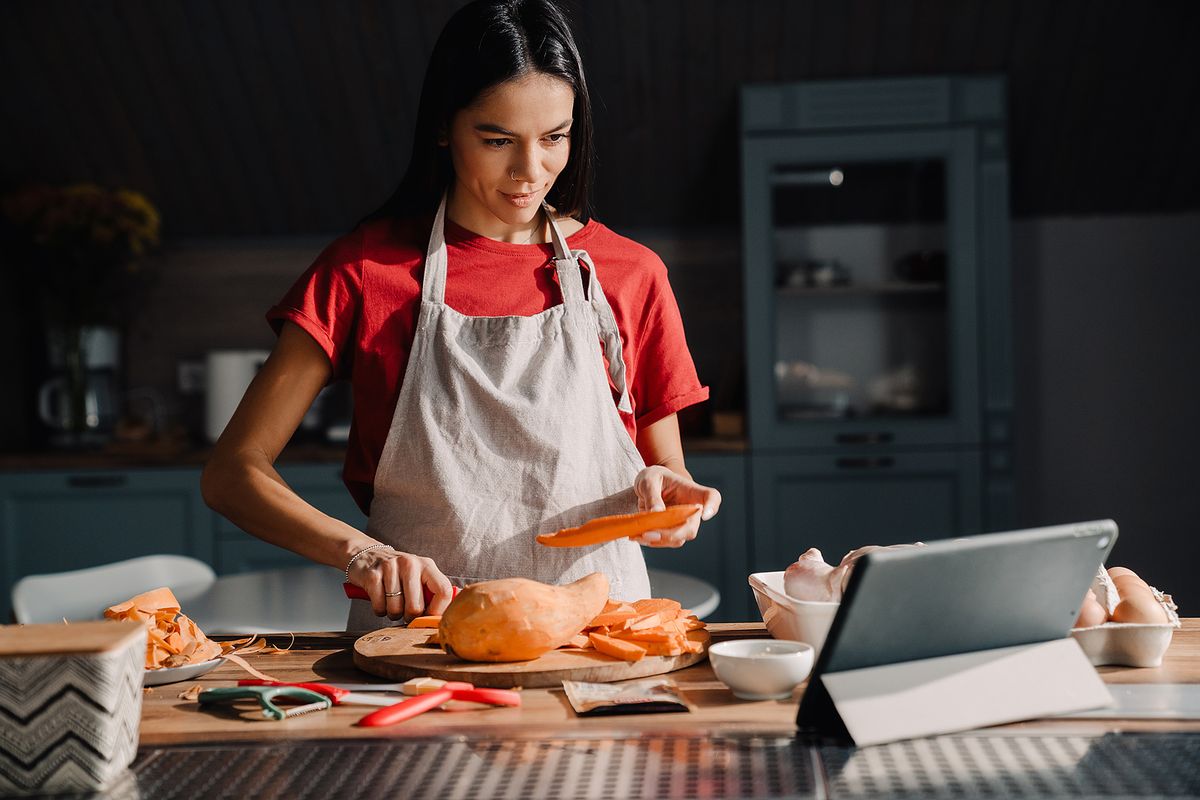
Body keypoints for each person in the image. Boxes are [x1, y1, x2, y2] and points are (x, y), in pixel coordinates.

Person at [201, 0, 720, 630]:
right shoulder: (366, 272)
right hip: (418, 645)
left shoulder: (632, 273)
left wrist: (673, 499)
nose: (531, 172)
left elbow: (664, 469)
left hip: (599, 641)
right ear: (445, 127)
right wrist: (362, 554)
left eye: (555, 138)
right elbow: (232, 473)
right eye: (497, 139)